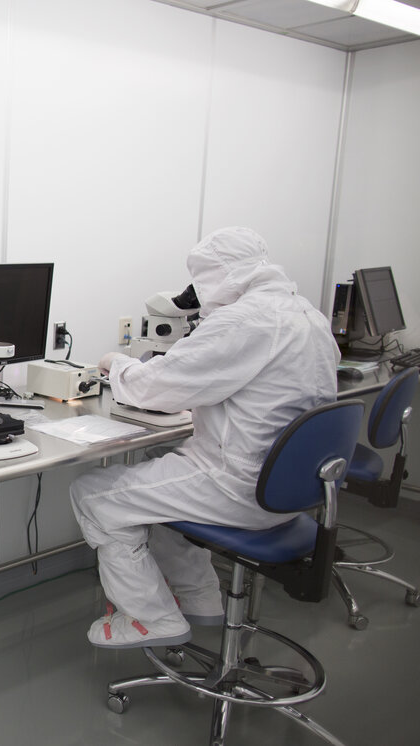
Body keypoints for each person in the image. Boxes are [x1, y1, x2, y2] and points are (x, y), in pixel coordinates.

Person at [70, 227, 339, 648]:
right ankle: (201, 600)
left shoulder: (244, 320)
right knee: (159, 465)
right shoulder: (307, 314)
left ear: (217, 276)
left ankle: (150, 618)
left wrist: (115, 363)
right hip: (294, 489)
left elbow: (155, 388)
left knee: (93, 494)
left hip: (240, 487)